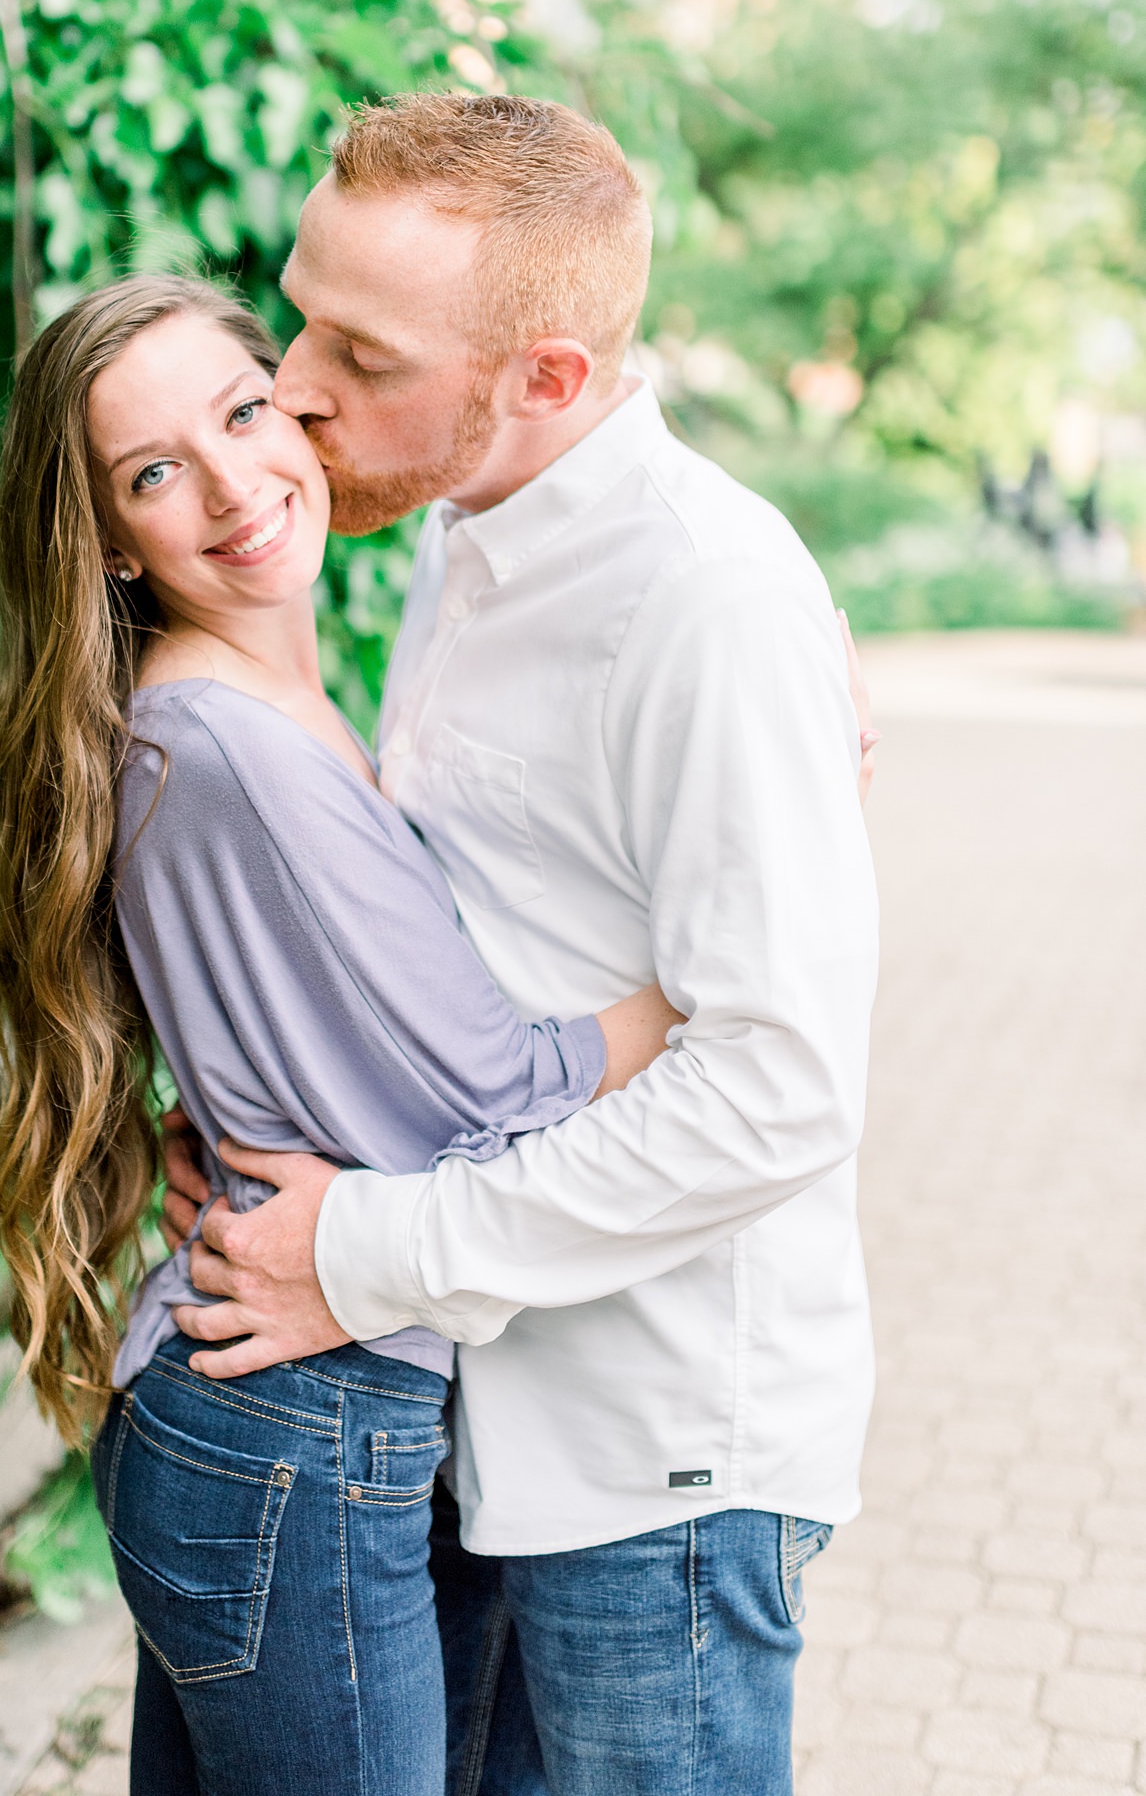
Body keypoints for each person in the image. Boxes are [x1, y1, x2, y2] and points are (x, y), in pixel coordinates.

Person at [158, 92, 882, 1796]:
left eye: (363, 350)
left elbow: (778, 1085)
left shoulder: (708, 601)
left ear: (545, 377)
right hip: (471, 1395)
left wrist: (364, 1253)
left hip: (657, 1458)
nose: (299, 388)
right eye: (297, 313)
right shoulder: (449, 522)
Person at [0, 272, 688, 1796]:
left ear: (292, 403)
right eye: (154, 472)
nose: (232, 485)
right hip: (292, 1434)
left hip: (274, 1422)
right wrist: (692, 975)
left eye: (241, 414)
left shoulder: (257, 709)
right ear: (106, 537)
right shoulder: (224, 742)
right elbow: (491, 1090)